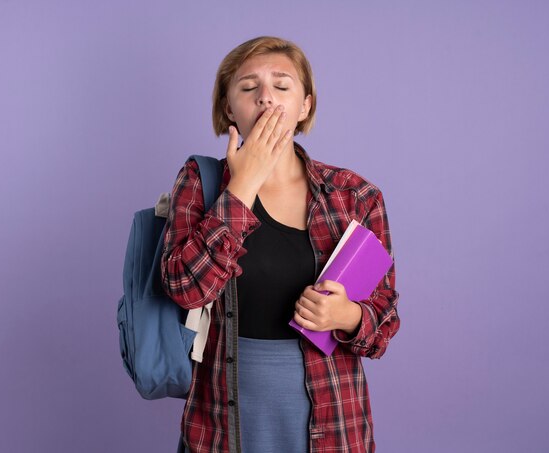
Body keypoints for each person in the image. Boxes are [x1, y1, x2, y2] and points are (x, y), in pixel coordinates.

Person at [161, 36, 400, 453]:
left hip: (332, 419)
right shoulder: (200, 183)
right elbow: (185, 288)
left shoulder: (355, 196)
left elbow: (383, 322)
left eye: (282, 86)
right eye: (249, 88)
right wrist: (244, 185)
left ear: (305, 105)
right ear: (228, 108)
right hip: (222, 421)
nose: (266, 98)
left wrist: (347, 315)